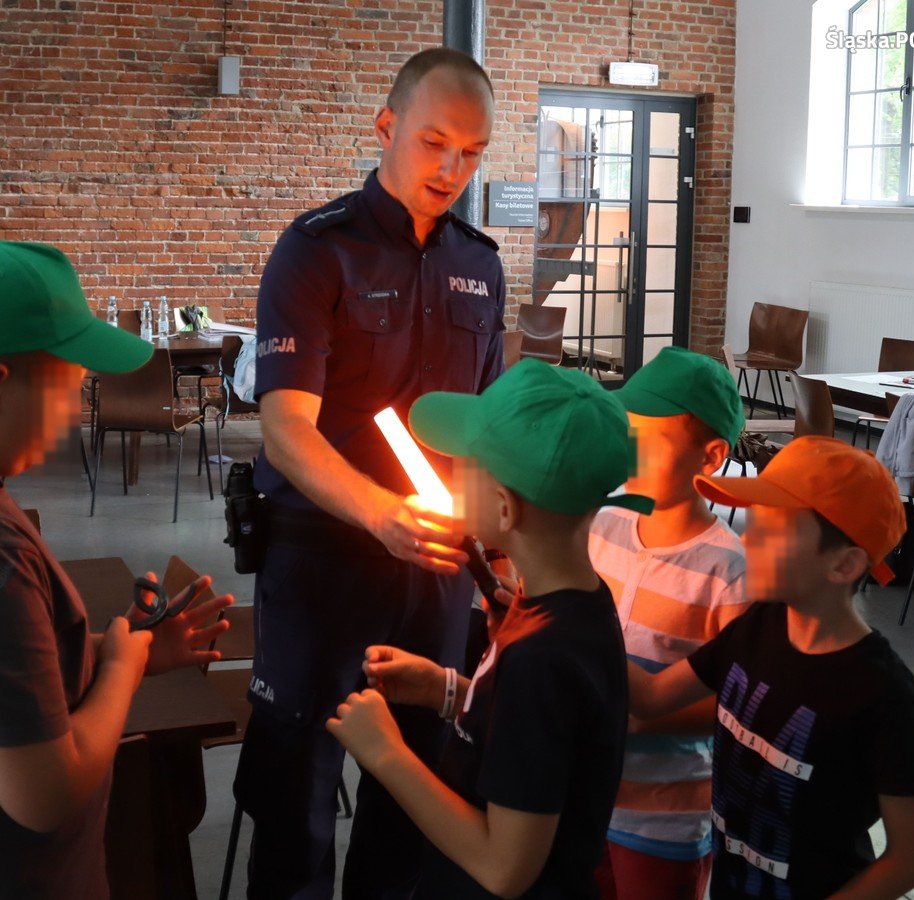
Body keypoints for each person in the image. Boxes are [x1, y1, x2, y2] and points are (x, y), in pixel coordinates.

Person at [0, 239, 233, 898]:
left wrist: (127, 649)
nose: (72, 415)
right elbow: (46, 793)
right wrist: (119, 670)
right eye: (70, 391)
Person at [234, 47, 505, 898]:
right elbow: (287, 431)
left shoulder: (480, 263)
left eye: (472, 152)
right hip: (321, 560)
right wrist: (379, 513)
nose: (452, 169)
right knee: (297, 797)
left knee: (417, 793)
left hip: (436, 568)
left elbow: (485, 430)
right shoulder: (318, 252)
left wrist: (499, 548)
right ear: (386, 126)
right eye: (434, 143)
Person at [326, 358, 654, 899]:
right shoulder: (572, 605)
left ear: (503, 509)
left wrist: (386, 753)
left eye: (466, 464)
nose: (452, 472)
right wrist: (449, 691)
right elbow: (541, 742)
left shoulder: (542, 656)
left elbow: (504, 867)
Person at [629, 436, 914, 899]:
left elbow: (910, 858)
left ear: (844, 565)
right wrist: (571, 605)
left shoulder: (881, 692)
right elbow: (651, 698)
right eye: (754, 522)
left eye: (773, 530)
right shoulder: (757, 627)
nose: (748, 539)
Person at [588, 347, 750, 900]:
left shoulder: (729, 572)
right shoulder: (602, 527)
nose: (629, 452)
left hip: (664, 816)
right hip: (583, 794)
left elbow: (736, 706)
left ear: (711, 456)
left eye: (650, 440)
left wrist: (636, 721)